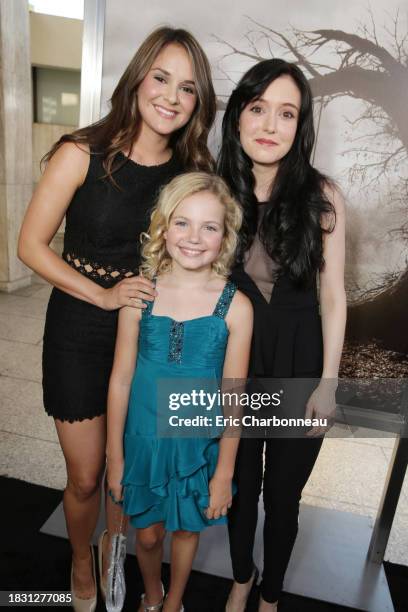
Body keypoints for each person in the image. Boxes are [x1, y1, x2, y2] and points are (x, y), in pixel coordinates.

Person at [18, 27, 216, 612]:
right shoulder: (82, 151)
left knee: (121, 477)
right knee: (84, 477)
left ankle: (114, 555)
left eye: (187, 89)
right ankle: (82, 560)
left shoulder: (190, 168)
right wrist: (103, 297)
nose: (171, 97)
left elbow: (205, 243)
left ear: (197, 104)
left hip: (148, 339)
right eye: (161, 78)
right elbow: (31, 245)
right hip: (80, 331)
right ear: (137, 78)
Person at [218, 59, 346, 611]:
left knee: (285, 497)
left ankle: (271, 595)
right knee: (239, 487)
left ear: (301, 125)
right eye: (258, 108)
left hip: (299, 360)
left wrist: (329, 383)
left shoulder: (323, 198)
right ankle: (242, 576)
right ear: (239, 116)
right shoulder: (214, 192)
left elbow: (334, 296)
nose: (271, 124)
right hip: (235, 364)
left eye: (287, 112)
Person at [106, 172, 253, 612]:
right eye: (182, 223)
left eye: (209, 227)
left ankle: (175, 603)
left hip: (196, 444)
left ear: (225, 236)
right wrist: (115, 455)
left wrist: (224, 473)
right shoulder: (140, 294)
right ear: (163, 227)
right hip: (143, 441)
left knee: (187, 531)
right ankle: (152, 595)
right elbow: (121, 378)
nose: (194, 237)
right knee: (147, 533)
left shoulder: (236, 307)